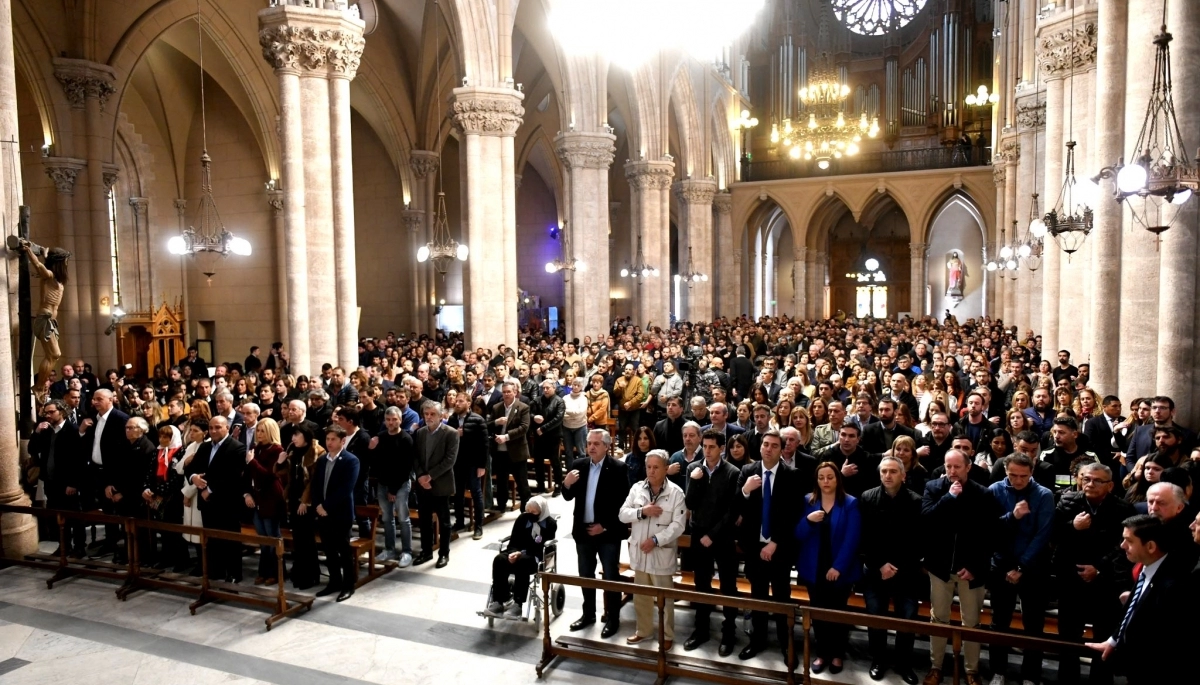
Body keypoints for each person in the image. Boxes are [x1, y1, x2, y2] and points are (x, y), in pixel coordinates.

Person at [1084, 515, 1199, 684]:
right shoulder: (1147, 566)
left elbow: (1167, 640)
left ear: (1151, 546)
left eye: (1129, 541)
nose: (1122, 546)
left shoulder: (1173, 586)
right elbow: (1132, 610)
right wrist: (1113, 640)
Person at [922, 449, 998, 685]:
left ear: (968, 467)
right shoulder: (934, 488)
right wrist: (949, 498)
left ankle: (971, 670)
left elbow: (989, 535)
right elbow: (927, 520)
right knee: (939, 618)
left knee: (972, 621)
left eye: (957, 467)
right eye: (948, 467)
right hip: (940, 567)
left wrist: (975, 566)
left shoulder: (983, 493)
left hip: (971, 570)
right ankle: (936, 667)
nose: (952, 472)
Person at [1053, 462, 1134, 685]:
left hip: (1104, 581)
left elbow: (1121, 546)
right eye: (1086, 479)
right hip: (1071, 579)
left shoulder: (1122, 508)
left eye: (1097, 480)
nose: (1090, 484)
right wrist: (1072, 526)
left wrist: (1098, 568)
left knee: (1103, 638)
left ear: (1110, 485)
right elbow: (1052, 534)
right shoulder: (1068, 501)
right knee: (1068, 638)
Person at [986, 453, 1055, 685]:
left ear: (1032, 472)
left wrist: (1021, 566)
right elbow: (990, 530)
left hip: (1033, 567)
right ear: (1006, 471)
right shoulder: (995, 489)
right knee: (999, 622)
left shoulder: (1044, 495)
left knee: (1034, 624)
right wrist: (1012, 517)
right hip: (1002, 565)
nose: (1017, 480)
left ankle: (1030, 675)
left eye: (1023, 476)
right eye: (1012, 475)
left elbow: (1042, 535)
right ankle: (998, 671)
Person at [735, 430, 800, 663]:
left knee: (782, 598)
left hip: (780, 549)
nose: (769, 448)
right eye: (765, 444)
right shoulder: (747, 471)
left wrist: (775, 542)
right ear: (760, 447)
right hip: (754, 548)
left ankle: (786, 643)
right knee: (758, 597)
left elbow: (793, 514)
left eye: (774, 445)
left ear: (781, 449)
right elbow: (736, 505)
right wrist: (745, 490)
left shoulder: (791, 475)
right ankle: (757, 641)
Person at [859, 455, 922, 684]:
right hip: (875, 570)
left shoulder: (916, 501)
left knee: (906, 620)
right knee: (876, 618)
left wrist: (895, 567)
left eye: (893, 471)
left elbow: (916, 541)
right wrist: (880, 565)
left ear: (903, 476)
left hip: (905, 572)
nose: (887, 475)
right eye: (884, 471)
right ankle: (878, 660)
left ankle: (904, 663)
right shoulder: (867, 497)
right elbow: (864, 537)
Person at [794, 462, 861, 675]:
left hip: (840, 569)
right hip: (814, 567)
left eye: (830, 477)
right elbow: (798, 534)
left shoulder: (850, 503)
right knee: (818, 613)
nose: (825, 481)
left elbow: (852, 539)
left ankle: (837, 654)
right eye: (821, 477)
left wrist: (838, 567)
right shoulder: (808, 501)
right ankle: (822, 653)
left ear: (837, 479)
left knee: (837, 613)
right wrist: (808, 520)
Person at [562, 429, 630, 638]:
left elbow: (624, 503)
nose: (591, 447)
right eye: (589, 443)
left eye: (596, 443)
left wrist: (606, 526)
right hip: (583, 531)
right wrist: (566, 483)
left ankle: (612, 618)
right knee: (586, 575)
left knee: (610, 577)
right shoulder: (578, 466)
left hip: (607, 533)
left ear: (607, 446)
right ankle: (588, 614)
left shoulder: (618, 468)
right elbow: (567, 496)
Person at [618, 449, 687, 649]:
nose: (651, 471)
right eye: (648, 467)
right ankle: (644, 631)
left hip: (660, 553)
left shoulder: (675, 493)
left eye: (656, 467)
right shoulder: (637, 489)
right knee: (641, 597)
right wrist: (642, 511)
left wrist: (656, 540)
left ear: (666, 469)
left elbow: (678, 525)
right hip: (640, 553)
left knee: (665, 598)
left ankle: (667, 635)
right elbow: (623, 514)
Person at [682, 430, 741, 655]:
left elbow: (731, 511)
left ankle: (729, 633)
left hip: (722, 536)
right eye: (704, 446)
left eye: (711, 447)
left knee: (728, 586)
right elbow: (690, 503)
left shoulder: (732, 472)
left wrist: (713, 535)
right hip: (698, 534)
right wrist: (696, 481)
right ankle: (701, 630)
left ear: (721, 448)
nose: (707, 451)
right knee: (701, 584)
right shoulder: (693, 469)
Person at [184, 415, 248, 582]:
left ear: (227, 428)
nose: (213, 431)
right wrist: (194, 478)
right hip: (207, 504)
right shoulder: (204, 447)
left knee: (230, 541)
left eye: (218, 427)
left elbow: (233, 476)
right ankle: (215, 571)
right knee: (211, 540)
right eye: (211, 428)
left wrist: (210, 490)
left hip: (227, 503)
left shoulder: (237, 447)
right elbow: (190, 468)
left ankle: (234, 574)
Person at [310, 425, 360, 601]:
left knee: (344, 551)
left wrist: (326, 506)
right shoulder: (323, 460)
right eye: (327, 439)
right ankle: (334, 581)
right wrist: (317, 505)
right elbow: (315, 485)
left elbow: (346, 489)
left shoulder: (351, 460)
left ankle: (348, 585)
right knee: (329, 551)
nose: (329, 442)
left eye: (333, 439)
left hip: (340, 513)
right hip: (322, 512)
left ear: (342, 441)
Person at [79, 389, 130, 559]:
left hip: (115, 475)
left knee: (121, 511)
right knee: (107, 510)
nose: (94, 402)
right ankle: (110, 542)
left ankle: (127, 548)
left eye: (99, 399)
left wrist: (113, 482)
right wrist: (82, 431)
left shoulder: (121, 419)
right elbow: (90, 444)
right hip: (97, 472)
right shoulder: (93, 418)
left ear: (111, 400)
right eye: (93, 399)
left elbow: (123, 454)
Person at [29, 400, 84, 557]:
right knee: (58, 517)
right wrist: (37, 432)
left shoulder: (73, 430)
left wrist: (73, 483)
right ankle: (63, 546)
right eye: (46, 412)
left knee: (74, 517)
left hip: (67, 482)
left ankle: (79, 547)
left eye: (51, 412)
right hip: (51, 482)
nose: (48, 415)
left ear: (62, 411)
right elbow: (32, 449)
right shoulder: (46, 431)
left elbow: (78, 460)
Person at [487, 495, 557, 617]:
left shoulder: (550, 524)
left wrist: (522, 553)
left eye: (533, 512)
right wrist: (512, 552)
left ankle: (518, 604)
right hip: (518, 552)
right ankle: (499, 600)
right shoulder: (522, 519)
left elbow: (542, 547)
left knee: (523, 561)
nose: (529, 514)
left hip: (536, 556)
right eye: (528, 511)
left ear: (541, 511)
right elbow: (514, 540)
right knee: (499, 560)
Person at [414, 402, 459, 568]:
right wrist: (420, 476)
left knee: (444, 522)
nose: (429, 417)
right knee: (424, 520)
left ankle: (444, 553)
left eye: (432, 414)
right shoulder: (420, 433)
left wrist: (429, 477)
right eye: (426, 414)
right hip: (422, 484)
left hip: (441, 483)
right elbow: (416, 458)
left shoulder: (451, 433)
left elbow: (449, 460)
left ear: (441, 416)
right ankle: (426, 552)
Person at [19, 239, 69, 389]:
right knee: (54, 354)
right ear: (60, 262)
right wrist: (28, 251)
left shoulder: (57, 278)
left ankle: (40, 385)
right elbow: (40, 267)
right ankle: (39, 386)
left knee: (54, 355)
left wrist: (44, 254)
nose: (66, 263)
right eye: (65, 261)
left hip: (51, 320)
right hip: (44, 317)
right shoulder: (50, 275)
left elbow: (45, 263)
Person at [242, 418, 286, 586]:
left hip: (271, 498)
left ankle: (275, 572)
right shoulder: (256, 449)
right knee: (262, 538)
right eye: (257, 430)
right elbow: (247, 475)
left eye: (262, 431)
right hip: (256, 497)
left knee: (272, 537)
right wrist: (247, 493)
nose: (258, 434)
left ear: (270, 432)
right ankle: (263, 571)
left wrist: (252, 461)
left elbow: (269, 475)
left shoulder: (277, 450)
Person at [370, 406, 415, 566]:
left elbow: (405, 467)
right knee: (387, 518)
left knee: (403, 518)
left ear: (400, 420)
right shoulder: (381, 437)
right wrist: (372, 449)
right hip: (383, 483)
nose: (390, 422)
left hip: (400, 484)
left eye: (394, 419)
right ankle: (389, 549)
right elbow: (377, 462)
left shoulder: (406, 438)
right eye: (388, 420)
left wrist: (393, 490)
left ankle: (407, 551)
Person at [140, 425, 187, 569]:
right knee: (163, 528)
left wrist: (161, 490)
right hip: (157, 494)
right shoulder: (157, 451)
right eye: (160, 436)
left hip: (174, 495)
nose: (162, 439)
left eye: (166, 437)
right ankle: (166, 557)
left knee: (175, 528)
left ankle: (181, 559)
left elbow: (177, 476)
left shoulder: (180, 451)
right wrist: (147, 488)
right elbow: (149, 472)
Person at [286, 424, 324, 589]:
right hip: (294, 499)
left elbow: (313, 481)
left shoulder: (316, 452)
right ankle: (299, 572)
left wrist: (305, 501)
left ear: (306, 437)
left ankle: (310, 575)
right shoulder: (294, 452)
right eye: (293, 435)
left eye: (297, 435)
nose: (293, 439)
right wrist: (281, 462)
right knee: (298, 539)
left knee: (307, 539)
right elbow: (287, 475)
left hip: (306, 502)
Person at [446, 392, 486, 539]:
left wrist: (482, 465)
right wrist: (455, 435)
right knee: (458, 494)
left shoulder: (477, 420)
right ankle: (460, 521)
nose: (457, 404)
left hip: (474, 462)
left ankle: (478, 525)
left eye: (461, 401)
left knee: (476, 493)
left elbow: (484, 444)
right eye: (456, 401)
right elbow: (449, 439)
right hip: (457, 462)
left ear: (469, 403)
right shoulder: (452, 419)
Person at [489, 380, 532, 512]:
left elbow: (524, 428)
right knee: (501, 481)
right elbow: (489, 425)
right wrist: (496, 422)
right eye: (504, 392)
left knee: (522, 482)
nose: (506, 394)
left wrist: (506, 437)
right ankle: (501, 505)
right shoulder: (497, 407)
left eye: (509, 392)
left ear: (515, 392)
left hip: (517, 451)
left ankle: (526, 508)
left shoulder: (523, 407)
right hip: (500, 451)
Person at [529, 379, 565, 493]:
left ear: (554, 388)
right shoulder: (537, 400)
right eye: (543, 388)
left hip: (553, 435)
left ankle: (558, 485)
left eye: (547, 388)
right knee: (538, 461)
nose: (545, 390)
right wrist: (534, 417)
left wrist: (543, 428)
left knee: (555, 461)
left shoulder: (559, 401)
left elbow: (558, 419)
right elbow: (528, 413)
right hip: (539, 436)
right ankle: (540, 484)